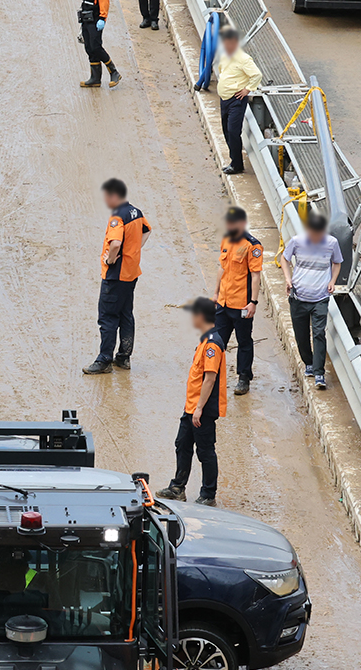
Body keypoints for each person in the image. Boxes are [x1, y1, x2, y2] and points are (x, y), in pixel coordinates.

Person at [157, 297, 227, 507]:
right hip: (192, 408)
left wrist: (198, 409)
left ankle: (208, 494)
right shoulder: (205, 340)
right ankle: (177, 486)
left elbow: (210, 378)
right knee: (183, 445)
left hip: (202, 410)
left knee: (205, 451)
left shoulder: (212, 344)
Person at [84, 179, 151, 374]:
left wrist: (110, 260)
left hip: (116, 276)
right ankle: (123, 357)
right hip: (131, 274)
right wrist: (134, 250)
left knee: (107, 317)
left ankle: (104, 359)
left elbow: (114, 243)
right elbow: (147, 230)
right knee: (125, 315)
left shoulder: (117, 217)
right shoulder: (136, 212)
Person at [281, 213, 343, 390]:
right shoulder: (297, 241)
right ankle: (308, 362)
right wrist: (287, 279)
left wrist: (332, 281)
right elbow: (284, 259)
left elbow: (337, 262)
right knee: (301, 334)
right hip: (299, 296)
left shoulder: (331, 243)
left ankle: (319, 373)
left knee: (318, 334)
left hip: (320, 298)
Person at [212, 206, 262, 395]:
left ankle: (243, 377)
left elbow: (255, 276)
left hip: (241, 304)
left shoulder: (252, 246)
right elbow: (222, 268)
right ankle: (213, 375)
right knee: (217, 340)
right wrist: (216, 293)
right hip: (223, 302)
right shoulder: (227, 239)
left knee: (244, 341)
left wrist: (253, 302)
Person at [216, 27, 262, 174]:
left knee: (233, 131)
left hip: (236, 100)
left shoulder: (244, 59)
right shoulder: (225, 55)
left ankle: (237, 164)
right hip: (224, 98)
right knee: (226, 130)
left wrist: (247, 89)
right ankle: (233, 159)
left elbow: (256, 75)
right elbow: (222, 71)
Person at [78, 0, 121, 89]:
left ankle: (114, 71)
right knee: (89, 47)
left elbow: (104, 1)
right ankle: (95, 78)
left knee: (96, 46)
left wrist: (102, 18)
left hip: (96, 19)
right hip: (86, 18)